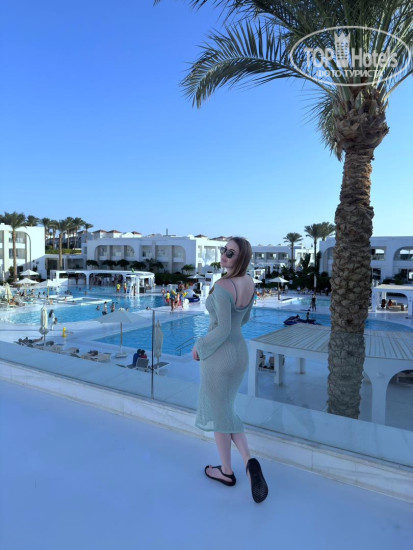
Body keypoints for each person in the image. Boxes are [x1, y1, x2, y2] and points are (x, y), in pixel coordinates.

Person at [192, 237, 268, 504]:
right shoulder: (249, 283)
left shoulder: (224, 286)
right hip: (239, 353)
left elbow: (222, 329)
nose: (225, 255)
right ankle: (248, 461)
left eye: (231, 253)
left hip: (219, 356)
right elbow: (243, 320)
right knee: (226, 410)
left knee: (219, 414)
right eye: (224, 250)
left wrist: (200, 345)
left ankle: (226, 471)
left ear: (241, 258)